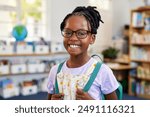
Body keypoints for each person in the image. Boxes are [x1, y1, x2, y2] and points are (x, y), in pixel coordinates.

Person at [47, 6, 119, 100]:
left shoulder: (103, 72)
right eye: (68, 32)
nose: (73, 38)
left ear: (92, 38)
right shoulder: (55, 71)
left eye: (81, 33)